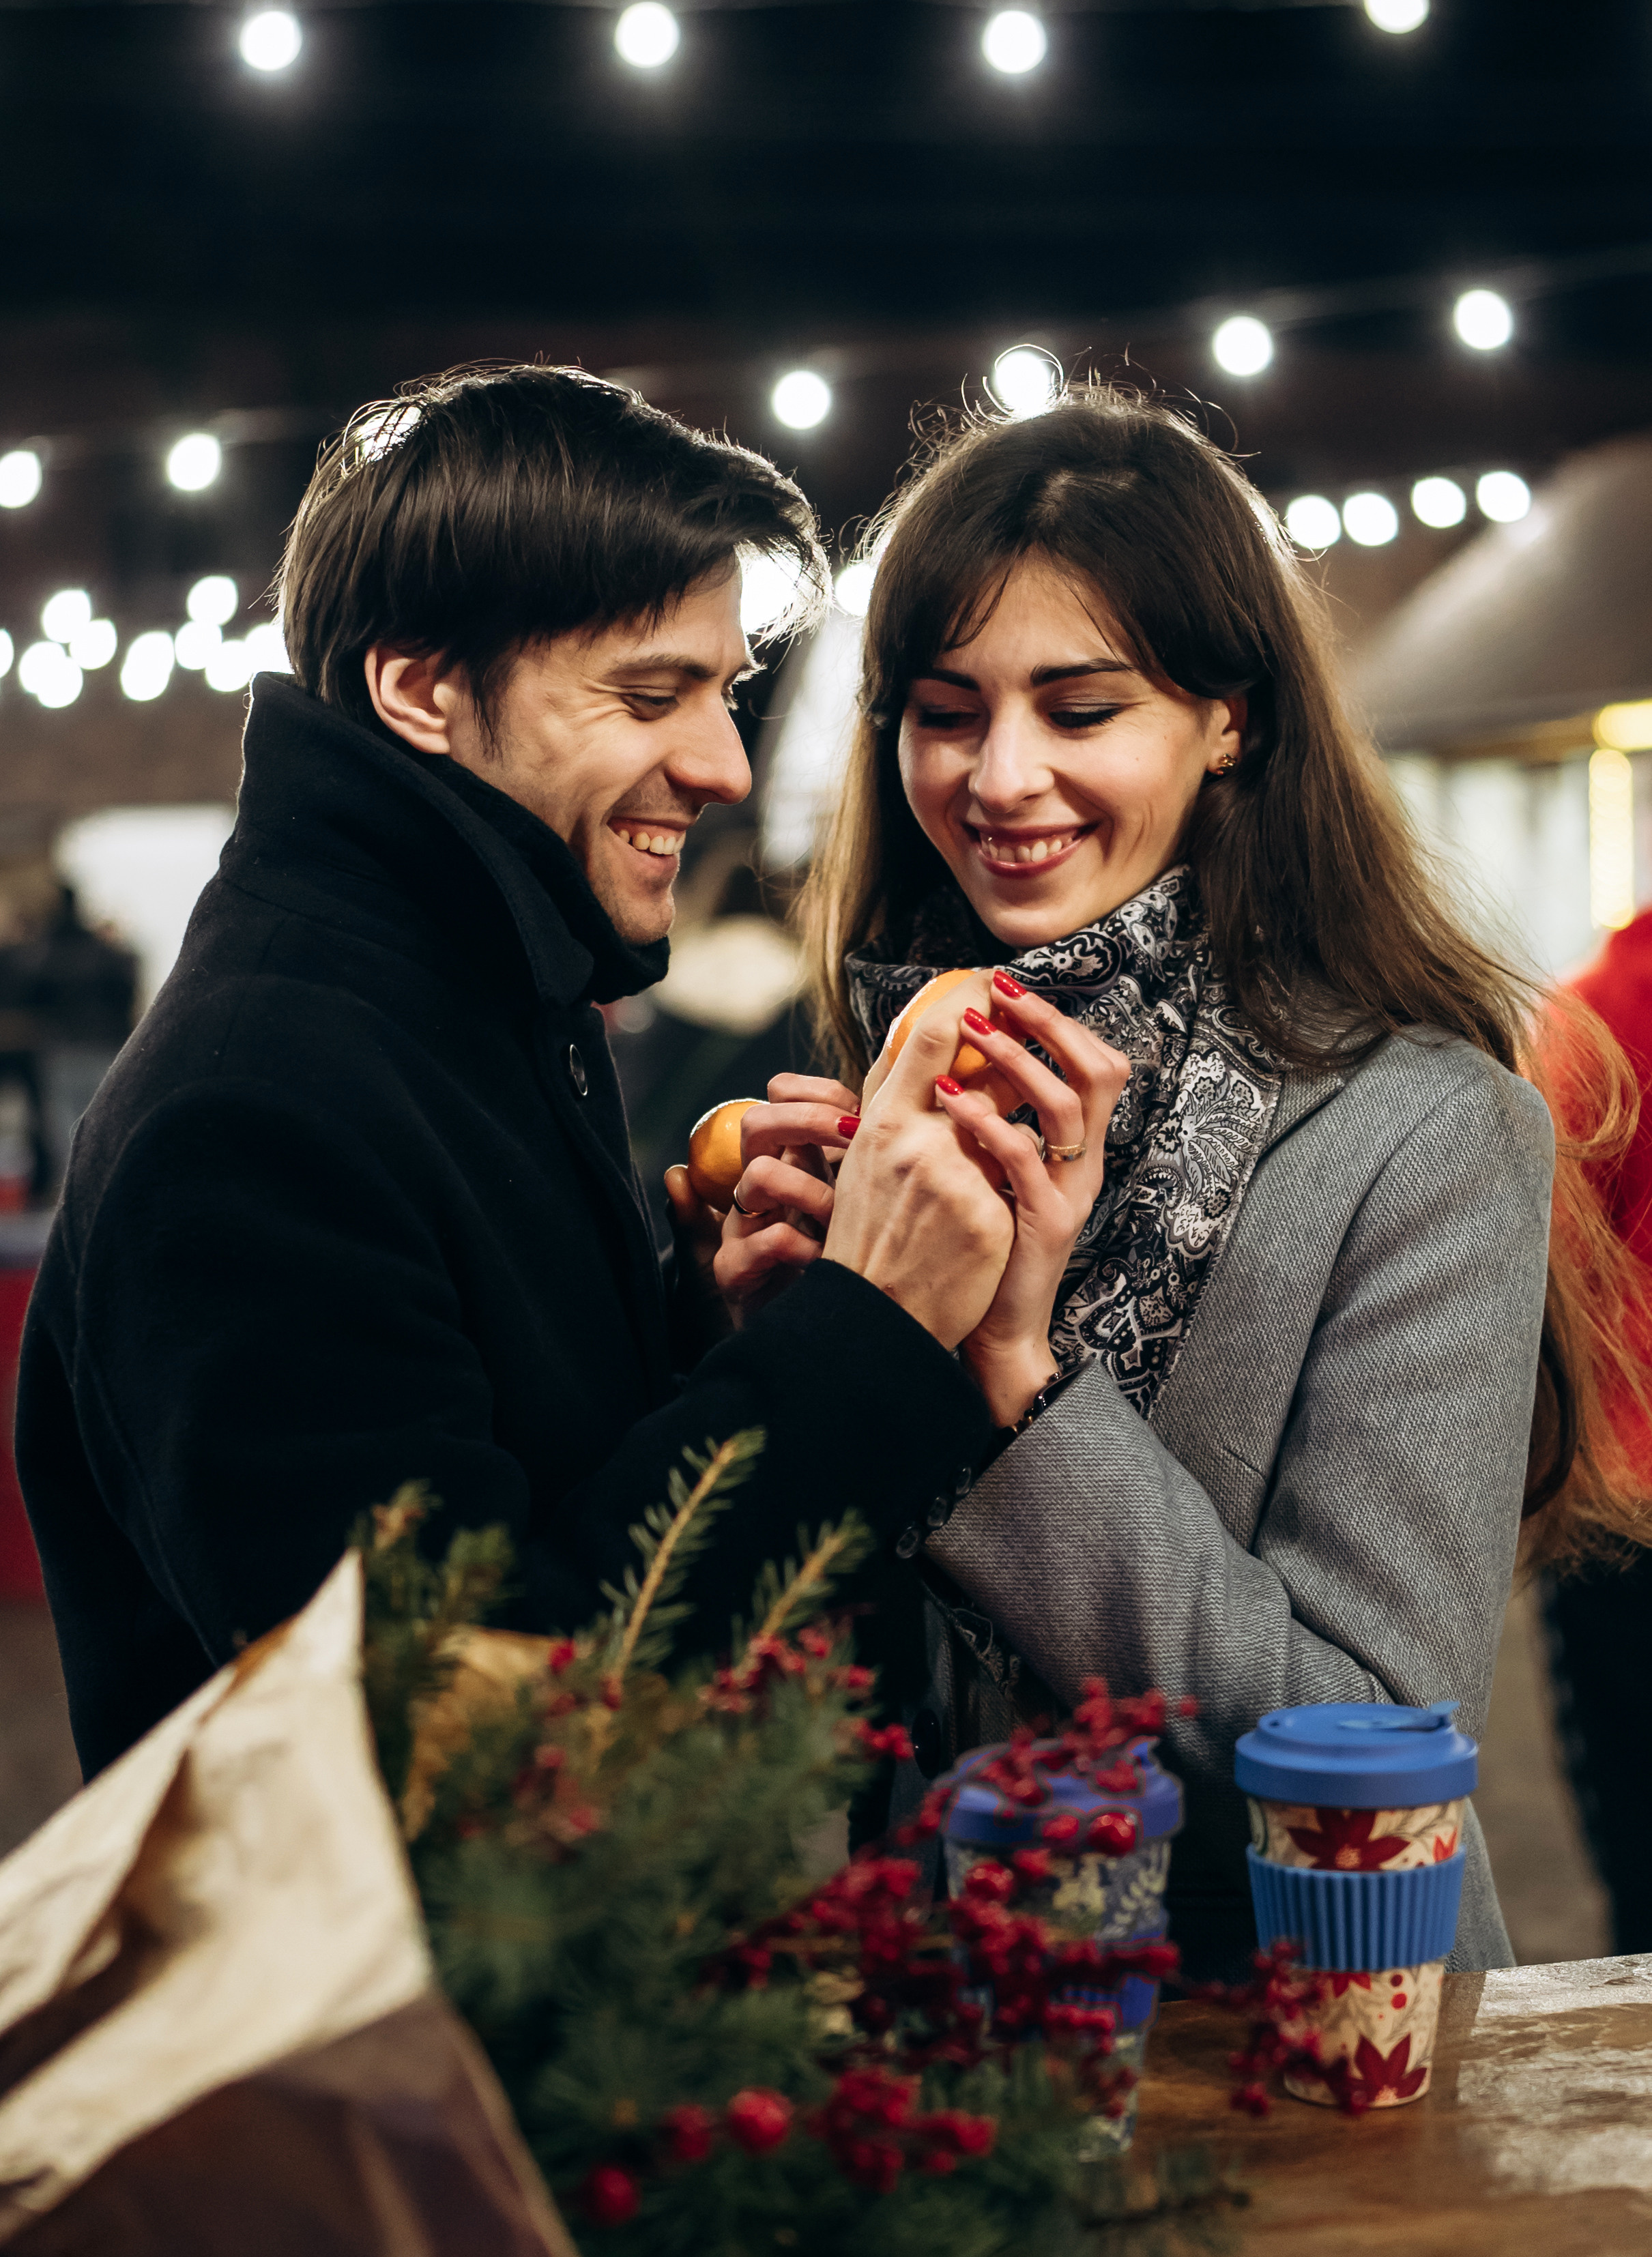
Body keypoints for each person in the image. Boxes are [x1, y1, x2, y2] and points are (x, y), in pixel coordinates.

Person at [717, 388, 1652, 1979]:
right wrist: (774, 1356)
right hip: (914, 2012)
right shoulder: (886, 1079)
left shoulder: (1419, 1129)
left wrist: (1012, 1373)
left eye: (1079, 710)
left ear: (1230, 718)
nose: (999, 777)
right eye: (944, 712)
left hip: (1270, 2022)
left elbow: (1370, 1729)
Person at [16, 364, 1013, 1778]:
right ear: (422, 688)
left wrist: (712, 1333)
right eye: (650, 693)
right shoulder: (251, 1115)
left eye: (722, 693)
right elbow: (463, 1741)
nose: (722, 763)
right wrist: (866, 1329)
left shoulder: (468, 1002)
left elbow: (520, 1489)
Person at [1542, 903, 1652, 1952]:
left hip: (1625, 1488)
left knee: (1641, 1820)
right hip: (1626, 1486)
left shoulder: (1588, 1018)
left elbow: (1553, 1273)